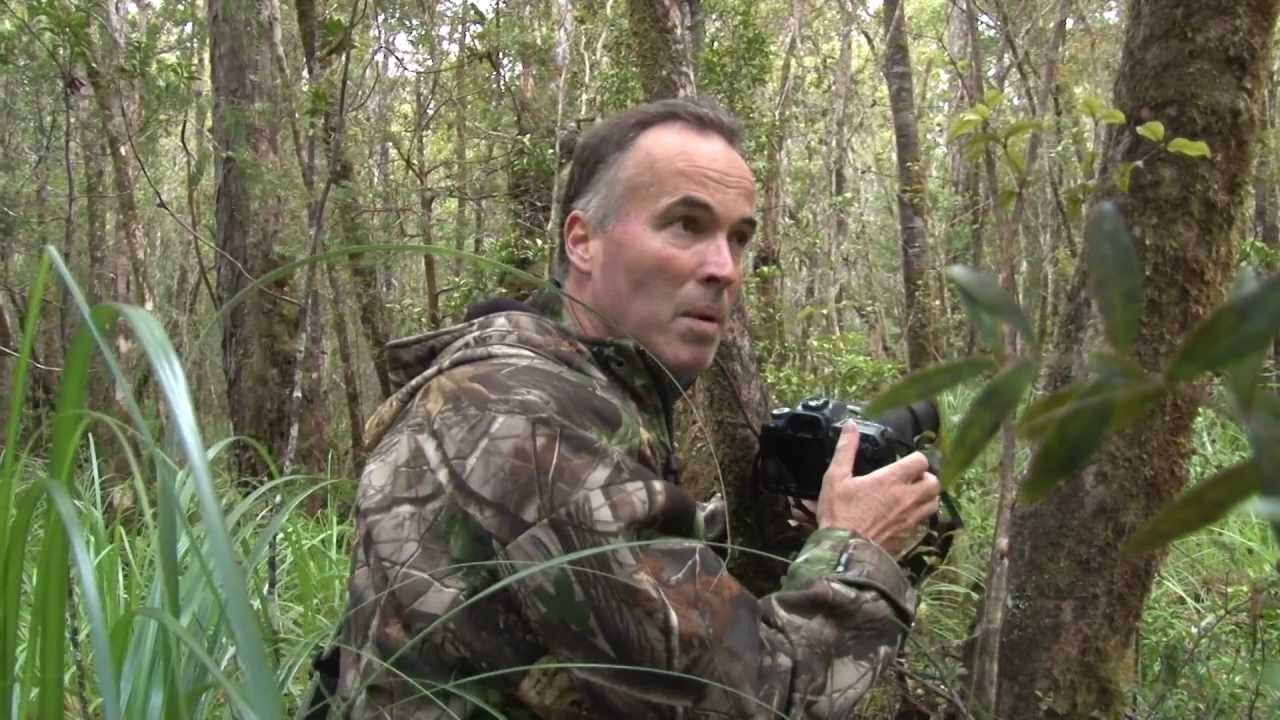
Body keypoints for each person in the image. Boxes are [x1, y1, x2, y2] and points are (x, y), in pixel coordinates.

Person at [332, 97, 941, 719]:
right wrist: (858, 548)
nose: (724, 269)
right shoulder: (526, 419)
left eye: (739, 238)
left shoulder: (546, 390)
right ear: (583, 240)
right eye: (686, 224)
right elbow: (753, 700)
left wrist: (768, 524)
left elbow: (606, 580)